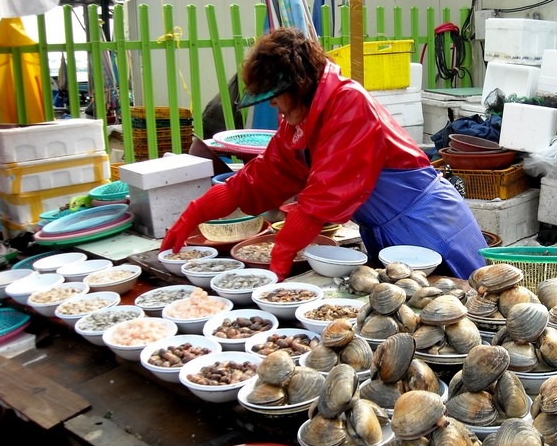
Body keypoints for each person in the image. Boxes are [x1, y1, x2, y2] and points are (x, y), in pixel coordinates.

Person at [161, 27, 487, 280]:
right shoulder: (299, 121)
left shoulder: (349, 104)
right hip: (383, 230)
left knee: (463, 309)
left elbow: (323, 196)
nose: (272, 104)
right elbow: (262, 176)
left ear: (300, 85)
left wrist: (281, 256)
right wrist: (196, 213)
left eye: (275, 95)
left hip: (427, 223)